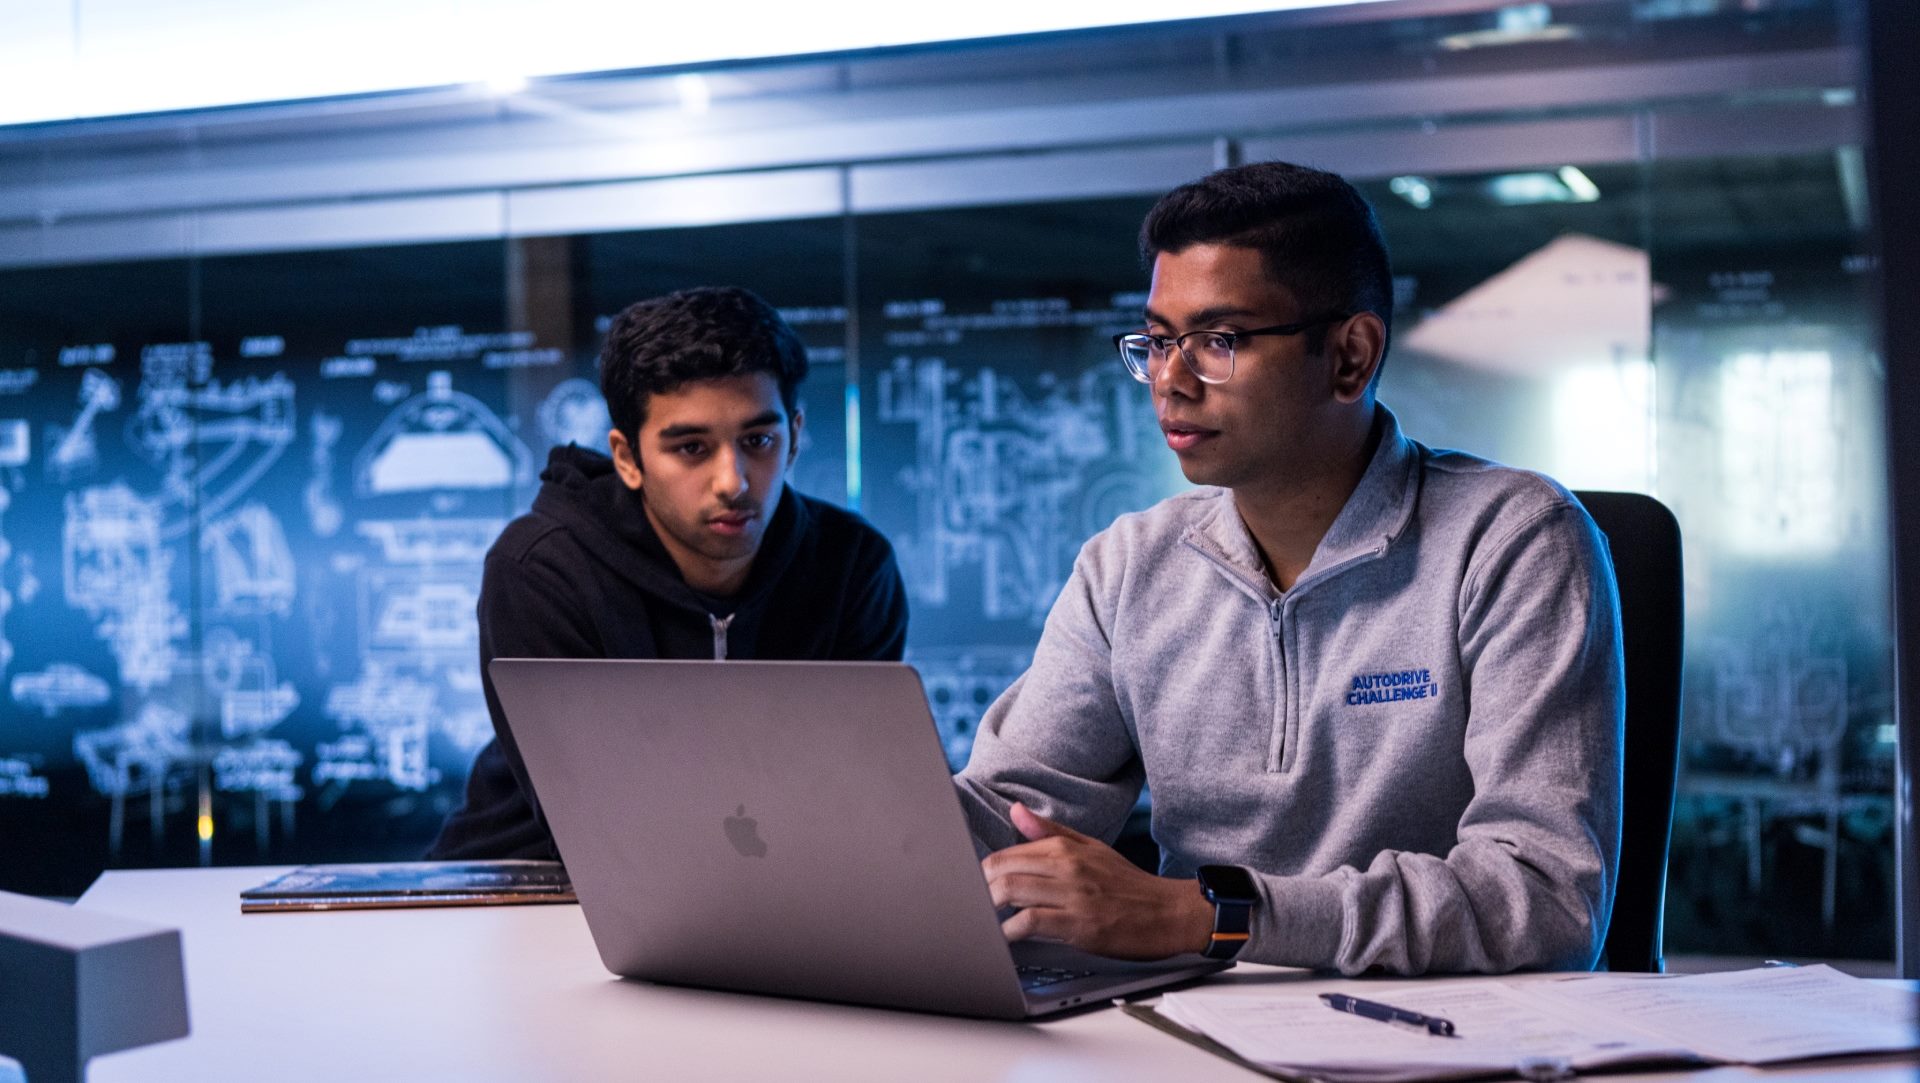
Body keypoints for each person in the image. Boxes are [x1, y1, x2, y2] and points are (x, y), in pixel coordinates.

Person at [956, 161, 1624, 975]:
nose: (1171, 380)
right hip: (1189, 1036)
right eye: (1160, 341)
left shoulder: (1513, 541)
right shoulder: (1127, 567)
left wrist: (1210, 915)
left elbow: (1544, 898)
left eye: (1218, 341)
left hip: (1435, 1040)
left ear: (1349, 356)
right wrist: (829, 816)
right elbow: (1009, 817)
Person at [430, 286, 908, 860]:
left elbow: (850, 786)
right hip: (537, 880)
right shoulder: (541, 569)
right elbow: (590, 816)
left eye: (758, 441)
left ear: (796, 437)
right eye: (691, 448)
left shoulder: (853, 566)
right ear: (627, 458)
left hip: (778, 875)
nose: (733, 481)